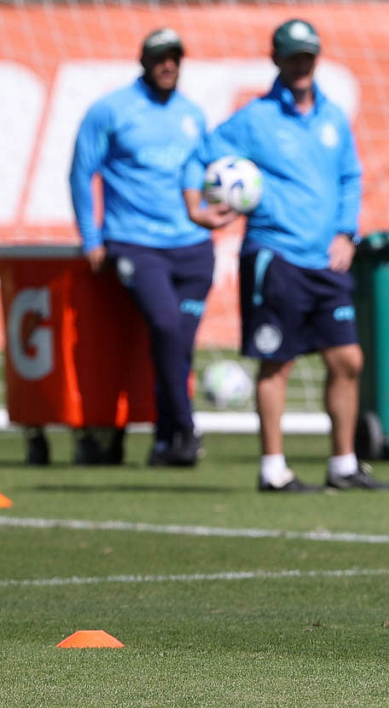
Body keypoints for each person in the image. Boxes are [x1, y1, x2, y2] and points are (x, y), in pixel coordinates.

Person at [184, 18, 389, 492]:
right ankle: (273, 469)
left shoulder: (333, 117)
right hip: (275, 258)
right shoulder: (255, 118)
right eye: (293, 57)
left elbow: (350, 177)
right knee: (277, 362)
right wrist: (197, 209)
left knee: (348, 360)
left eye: (308, 57)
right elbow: (198, 157)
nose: (302, 65)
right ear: (276, 59)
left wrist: (347, 234)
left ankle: (343, 466)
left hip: (326, 261)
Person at [70, 28, 233, 467]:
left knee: (178, 345)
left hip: (194, 248)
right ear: (143, 61)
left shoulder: (192, 114)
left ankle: (166, 443)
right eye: (161, 58)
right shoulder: (111, 110)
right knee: (165, 326)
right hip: (136, 243)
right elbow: (81, 172)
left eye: (175, 57)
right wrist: (91, 236)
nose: (169, 65)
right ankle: (186, 429)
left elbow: (201, 174)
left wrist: (218, 206)